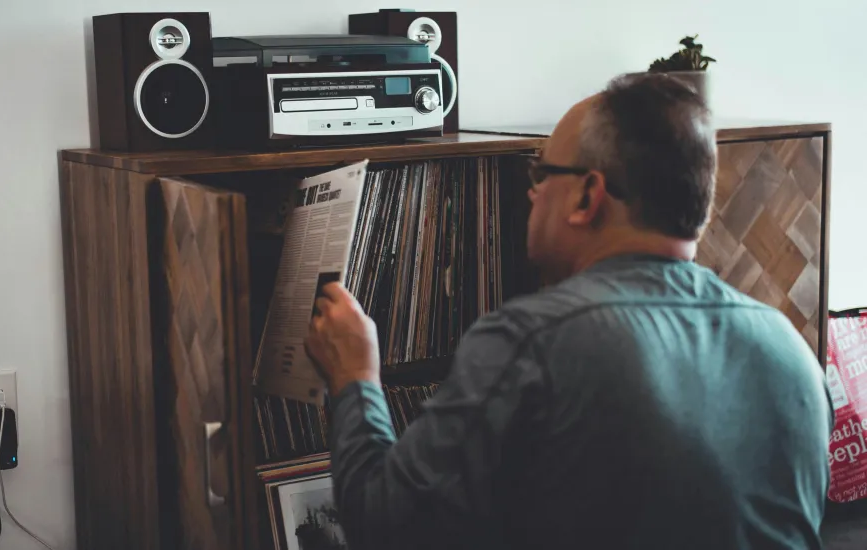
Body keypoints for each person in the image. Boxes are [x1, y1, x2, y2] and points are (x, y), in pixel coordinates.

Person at [304, 73, 834, 550]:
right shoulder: (792, 352)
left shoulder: (530, 341)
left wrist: (355, 377)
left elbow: (383, 528)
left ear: (587, 196)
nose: (532, 195)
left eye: (541, 174)